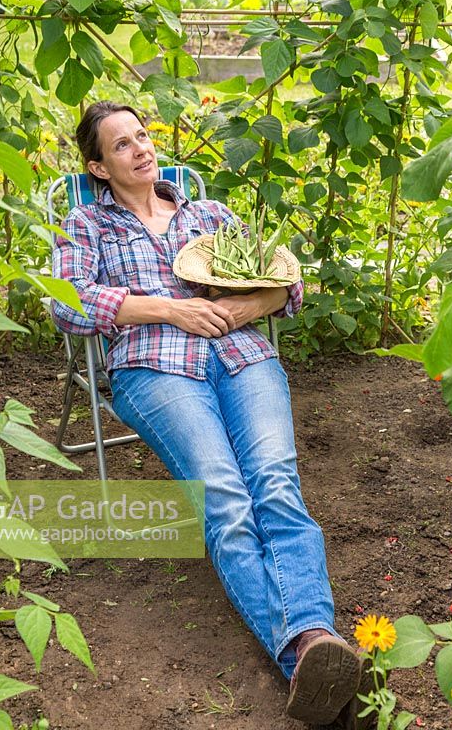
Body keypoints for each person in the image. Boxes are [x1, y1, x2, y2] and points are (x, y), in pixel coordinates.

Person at [51, 100, 364, 726]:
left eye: (143, 136)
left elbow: (285, 286)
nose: (141, 149)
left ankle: (310, 653)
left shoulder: (209, 214)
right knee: (225, 494)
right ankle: (310, 650)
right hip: (155, 365)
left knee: (274, 483)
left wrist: (250, 309)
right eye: (121, 145)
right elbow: (70, 302)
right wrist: (171, 309)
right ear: (98, 165)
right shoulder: (85, 226)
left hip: (243, 354)